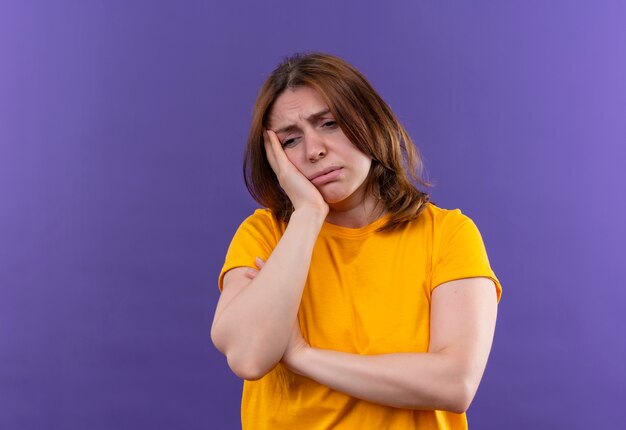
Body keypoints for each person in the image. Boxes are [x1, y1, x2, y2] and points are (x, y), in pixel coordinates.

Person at [211, 52, 501, 429]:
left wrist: (301, 355)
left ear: (370, 121)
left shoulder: (447, 234)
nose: (314, 150)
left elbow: (454, 383)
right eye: (290, 141)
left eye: (329, 124)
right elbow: (249, 357)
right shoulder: (265, 234)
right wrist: (308, 216)